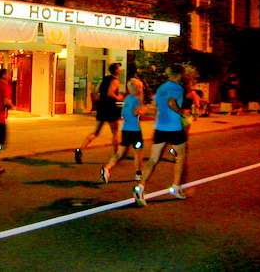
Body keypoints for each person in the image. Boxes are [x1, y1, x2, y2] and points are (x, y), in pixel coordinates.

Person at [133, 64, 187, 206]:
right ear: (179, 75)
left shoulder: (161, 88)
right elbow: (171, 102)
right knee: (180, 157)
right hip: (174, 127)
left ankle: (140, 187)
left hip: (160, 127)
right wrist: (182, 113)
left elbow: (155, 107)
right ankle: (175, 187)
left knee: (153, 159)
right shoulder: (177, 88)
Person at [75, 63, 123, 164]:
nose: (121, 70)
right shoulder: (115, 80)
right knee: (115, 132)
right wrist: (119, 97)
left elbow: (96, 91)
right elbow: (110, 93)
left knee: (95, 132)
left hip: (102, 107)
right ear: (116, 71)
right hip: (111, 108)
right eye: (119, 68)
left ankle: (80, 149)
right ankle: (116, 155)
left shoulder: (104, 79)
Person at [101, 78, 146, 183]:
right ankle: (138, 173)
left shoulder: (127, 99)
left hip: (125, 130)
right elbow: (136, 113)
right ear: (137, 88)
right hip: (135, 131)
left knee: (120, 153)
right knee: (138, 153)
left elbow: (124, 114)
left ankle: (107, 168)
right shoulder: (136, 99)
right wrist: (142, 110)